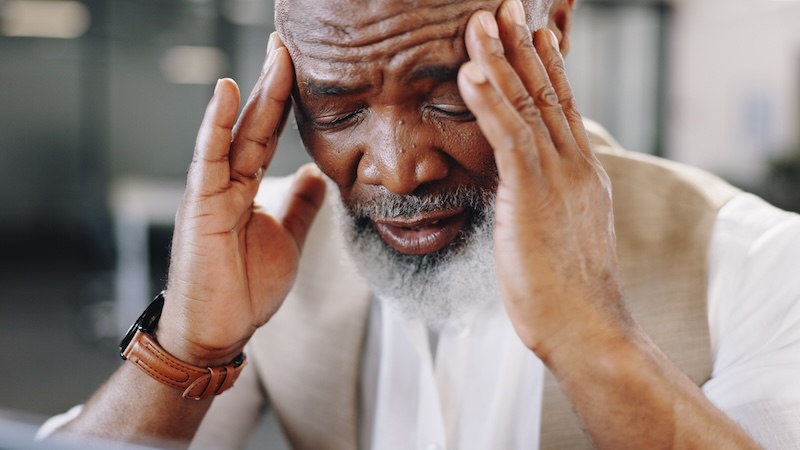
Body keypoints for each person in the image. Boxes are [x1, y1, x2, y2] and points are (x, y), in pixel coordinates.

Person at [42, 0, 800, 448]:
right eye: (336, 109)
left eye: (451, 100)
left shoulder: (757, 266)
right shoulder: (272, 247)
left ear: (555, 30)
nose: (398, 171)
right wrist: (187, 348)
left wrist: (593, 337)